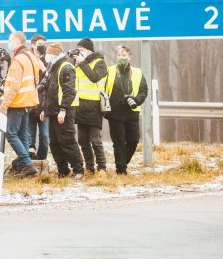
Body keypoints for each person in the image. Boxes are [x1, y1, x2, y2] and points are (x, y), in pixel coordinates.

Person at [0, 32, 41, 177]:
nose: (8, 43)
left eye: (10, 40)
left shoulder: (18, 59)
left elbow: (15, 85)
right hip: (28, 101)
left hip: (17, 102)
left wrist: (5, 103)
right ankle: (25, 166)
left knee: (11, 134)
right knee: (23, 135)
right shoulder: (31, 56)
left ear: (16, 41)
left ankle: (28, 164)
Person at [39, 42, 84, 179]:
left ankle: (78, 170)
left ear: (55, 54)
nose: (47, 56)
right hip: (53, 111)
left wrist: (63, 109)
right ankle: (63, 170)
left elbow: (69, 91)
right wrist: (44, 110)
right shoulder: (52, 66)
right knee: (55, 143)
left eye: (49, 53)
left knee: (67, 140)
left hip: (64, 111)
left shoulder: (66, 67)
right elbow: (47, 88)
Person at [104, 45, 149, 174]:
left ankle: (123, 162)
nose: (121, 58)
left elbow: (144, 90)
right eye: (119, 55)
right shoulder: (109, 71)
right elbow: (102, 88)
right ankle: (121, 170)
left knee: (133, 140)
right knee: (118, 142)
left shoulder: (137, 72)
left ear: (129, 56)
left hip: (131, 112)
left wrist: (136, 100)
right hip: (114, 112)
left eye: (124, 55)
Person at [73, 37, 109, 174]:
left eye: (81, 50)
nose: (79, 53)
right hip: (80, 105)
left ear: (88, 50)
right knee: (82, 140)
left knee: (95, 140)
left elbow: (94, 77)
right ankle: (89, 167)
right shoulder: (80, 63)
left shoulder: (100, 63)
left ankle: (102, 168)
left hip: (94, 106)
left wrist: (82, 62)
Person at [24, 34, 49, 172]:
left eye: (44, 44)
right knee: (29, 137)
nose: (42, 46)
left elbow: (50, 83)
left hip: (44, 105)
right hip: (29, 104)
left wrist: (44, 68)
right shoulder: (27, 58)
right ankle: (31, 165)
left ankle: (42, 162)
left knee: (45, 137)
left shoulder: (48, 60)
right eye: (40, 44)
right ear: (33, 44)